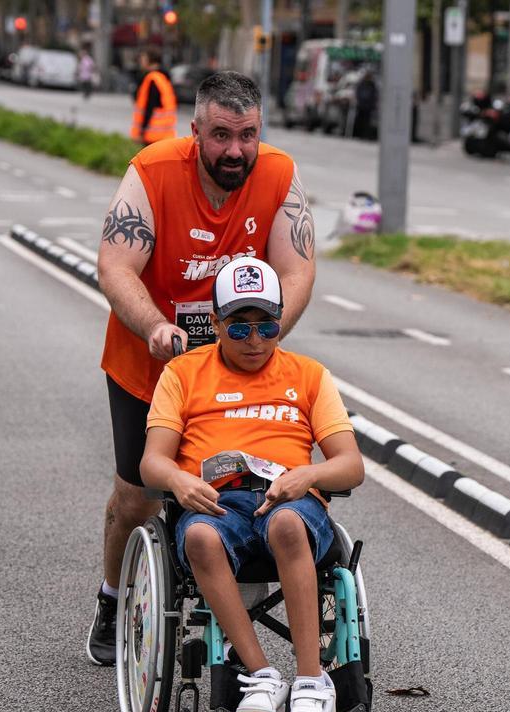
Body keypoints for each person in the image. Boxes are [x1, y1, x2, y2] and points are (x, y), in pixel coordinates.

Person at [87, 71, 317, 665]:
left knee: (244, 486)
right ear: (195, 132)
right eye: (220, 136)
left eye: (247, 136)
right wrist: (156, 328)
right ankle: (113, 597)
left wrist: (261, 337)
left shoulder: (280, 175)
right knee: (138, 495)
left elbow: (297, 272)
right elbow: (115, 266)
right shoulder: (152, 172)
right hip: (151, 362)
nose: (235, 151)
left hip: (235, 365)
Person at [140, 257, 363, 712]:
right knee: (197, 535)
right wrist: (179, 482)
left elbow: (351, 466)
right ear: (215, 323)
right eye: (239, 327)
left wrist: (308, 474)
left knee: (286, 526)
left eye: (268, 325)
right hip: (219, 504)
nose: (255, 339)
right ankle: (261, 674)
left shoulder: (309, 375)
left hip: (291, 504)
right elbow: (151, 462)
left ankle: (310, 684)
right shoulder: (182, 373)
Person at [129, 46, 176, 145]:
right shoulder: (164, 78)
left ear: (150, 59)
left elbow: (149, 108)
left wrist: (141, 132)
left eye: (143, 58)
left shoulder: (152, 79)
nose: (141, 61)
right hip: (165, 136)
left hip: (151, 135)